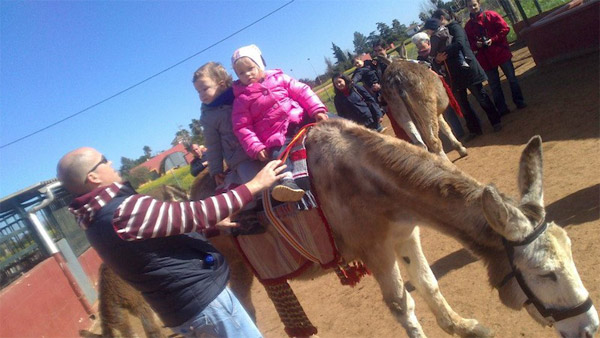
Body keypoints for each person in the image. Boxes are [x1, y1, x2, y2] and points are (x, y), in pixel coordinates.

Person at [57, 147, 287, 337]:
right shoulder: (121, 211)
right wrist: (255, 184)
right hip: (206, 304)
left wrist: (211, 224)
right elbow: (196, 212)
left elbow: (155, 240)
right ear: (93, 177)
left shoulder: (94, 220)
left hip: (183, 311)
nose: (112, 162)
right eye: (104, 161)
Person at [231, 44, 328, 203]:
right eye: (241, 72)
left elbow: (302, 91)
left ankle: (357, 140)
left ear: (260, 65)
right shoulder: (241, 100)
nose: (247, 74)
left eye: (250, 68)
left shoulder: (279, 78)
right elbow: (242, 127)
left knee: (332, 122)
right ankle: (288, 182)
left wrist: (317, 110)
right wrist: (256, 147)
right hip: (275, 135)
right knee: (278, 157)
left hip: (299, 119)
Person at [193, 62, 264, 230]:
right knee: (251, 181)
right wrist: (216, 169)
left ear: (222, 85)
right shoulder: (208, 116)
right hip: (239, 155)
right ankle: (249, 217)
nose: (201, 95)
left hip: (260, 143)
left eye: (205, 89)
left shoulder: (241, 94)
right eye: (198, 92)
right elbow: (213, 144)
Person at [431, 9, 502, 138]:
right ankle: (474, 129)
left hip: (468, 69)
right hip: (453, 75)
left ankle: (495, 121)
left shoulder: (455, 27)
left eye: (435, 21)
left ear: (441, 18)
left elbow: (459, 44)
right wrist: (437, 59)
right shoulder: (437, 35)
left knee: (481, 97)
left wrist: (442, 55)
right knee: (463, 105)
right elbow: (435, 57)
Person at [464, 0, 526, 115]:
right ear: (467, 8)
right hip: (485, 59)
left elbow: (505, 29)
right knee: (494, 85)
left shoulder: (491, 15)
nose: (473, 8)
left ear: (479, 4)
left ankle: (519, 101)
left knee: (512, 79)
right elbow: (468, 44)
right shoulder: (468, 27)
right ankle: (502, 109)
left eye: (474, 5)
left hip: (500, 53)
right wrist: (476, 45)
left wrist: (493, 39)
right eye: (470, 6)